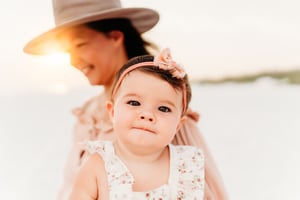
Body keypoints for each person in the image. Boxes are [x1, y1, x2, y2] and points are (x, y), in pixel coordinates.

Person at [23, 0, 228, 199]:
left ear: (115, 37)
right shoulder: (86, 115)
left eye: (80, 45)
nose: (73, 60)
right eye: (67, 51)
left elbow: (211, 193)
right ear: (112, 110)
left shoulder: (163, 116)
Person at [69, 48, 205, 200]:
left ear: (178, 125)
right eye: (134, 102)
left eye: (163, 108)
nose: (147, 115)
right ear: (112, 112)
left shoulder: (187, 165)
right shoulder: (98, 165)